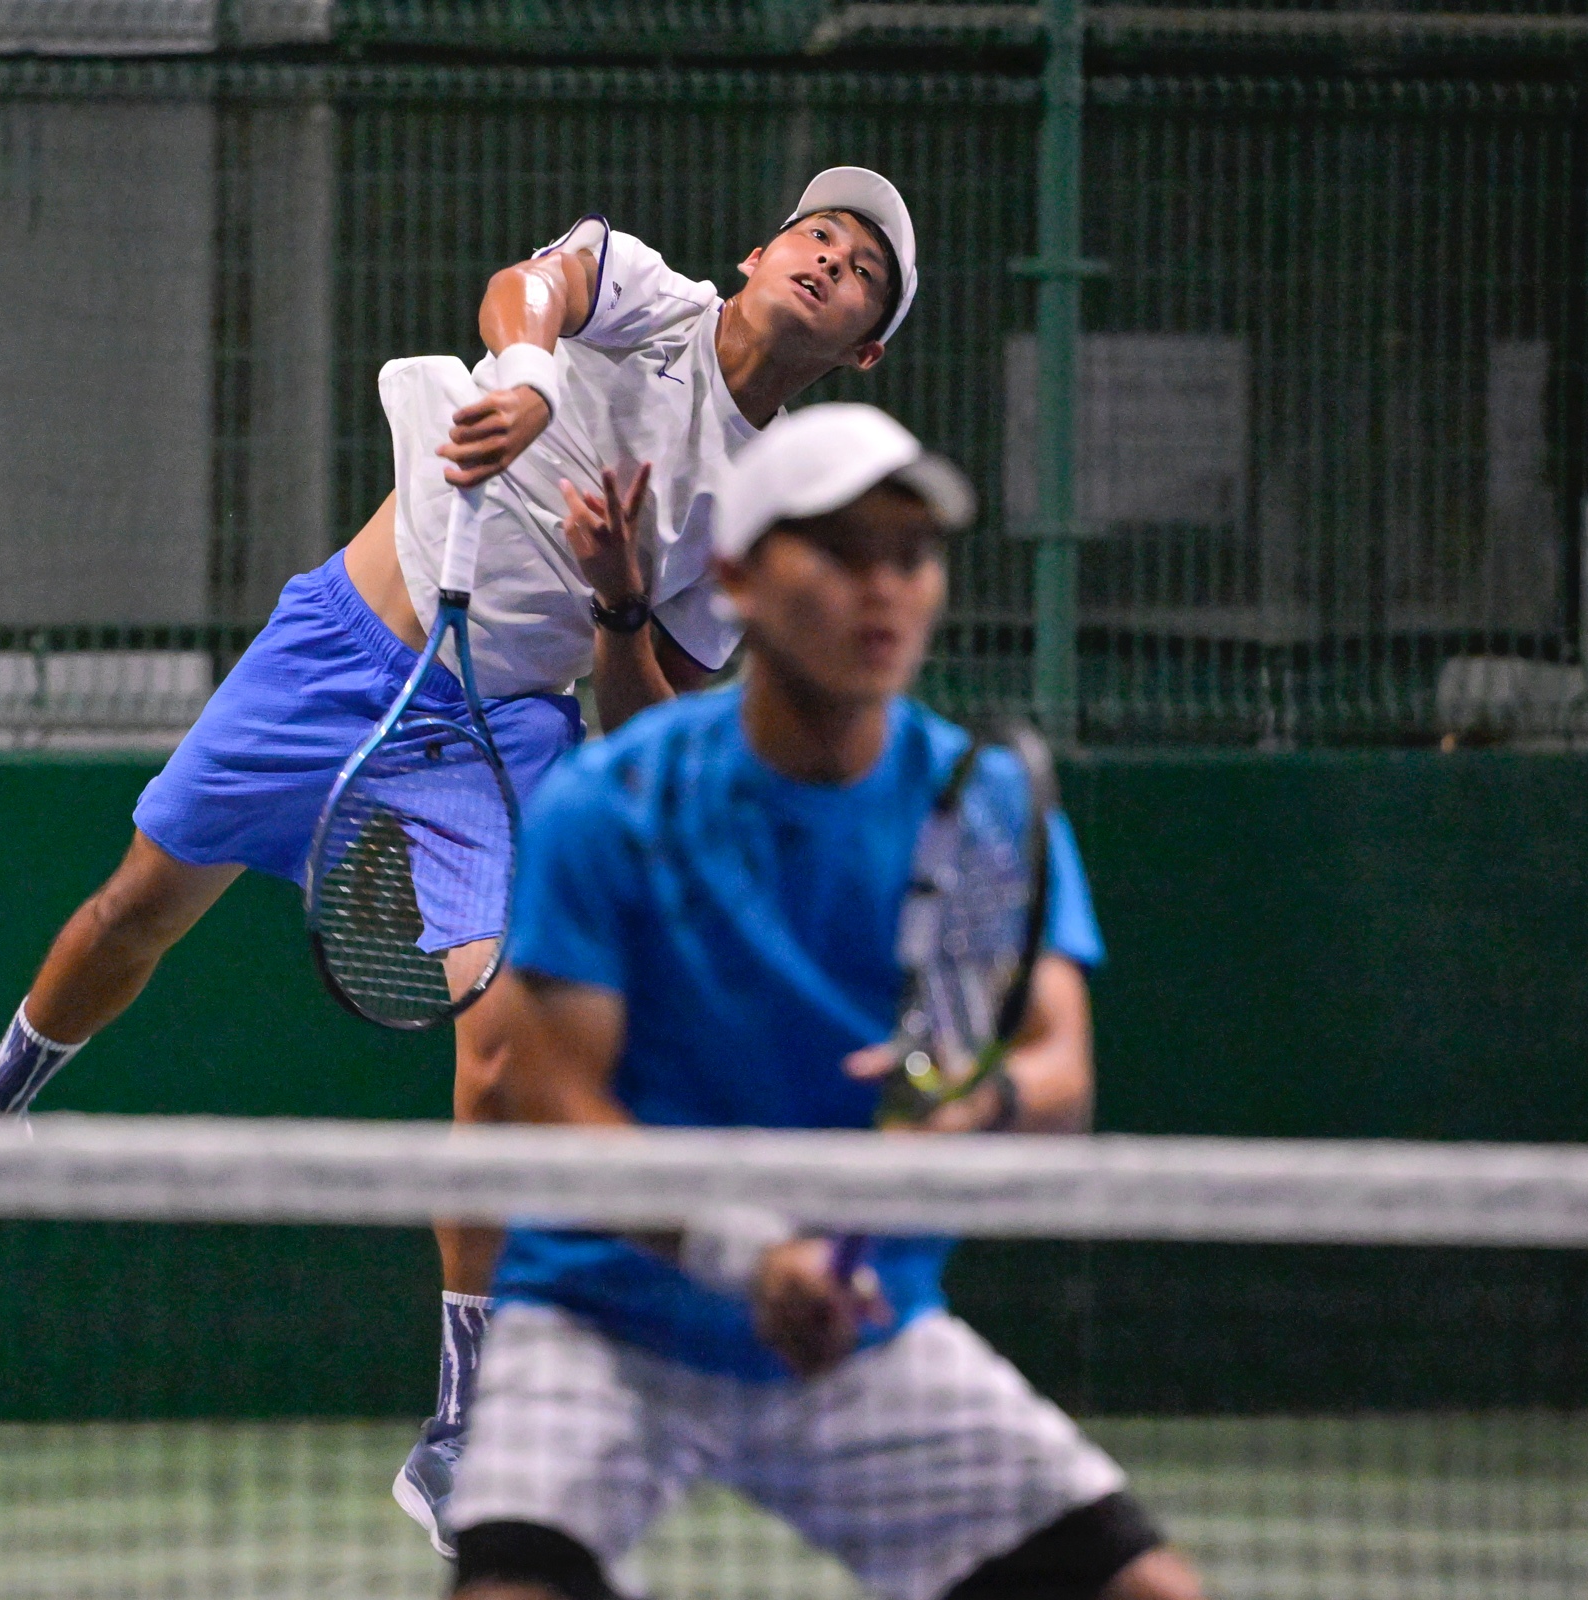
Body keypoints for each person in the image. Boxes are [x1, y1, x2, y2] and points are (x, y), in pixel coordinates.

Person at [0, 169, 927, 1555]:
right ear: (757, 250)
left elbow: (641, 714)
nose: (829, 261)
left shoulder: (758, 520)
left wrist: (614, 604)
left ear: (863, 348)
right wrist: (527, 374)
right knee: (132, 912)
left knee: (503, 1045)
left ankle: (461, 1418)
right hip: (337, 649)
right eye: (816, 236)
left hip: (493, 728)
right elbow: (529, 289)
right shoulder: (650, 297)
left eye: (862, 273)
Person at [446, 405, 1206, 1600]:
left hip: (862, 1327)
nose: (883, 587)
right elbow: (552, 1106)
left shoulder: (982, 803)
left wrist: (970, 1106)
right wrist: (748, 1253)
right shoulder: (612, 803)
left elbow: (1059, 1073)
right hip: (610, 1316)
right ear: (739, 579)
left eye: (911, 555)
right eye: (841, 551)